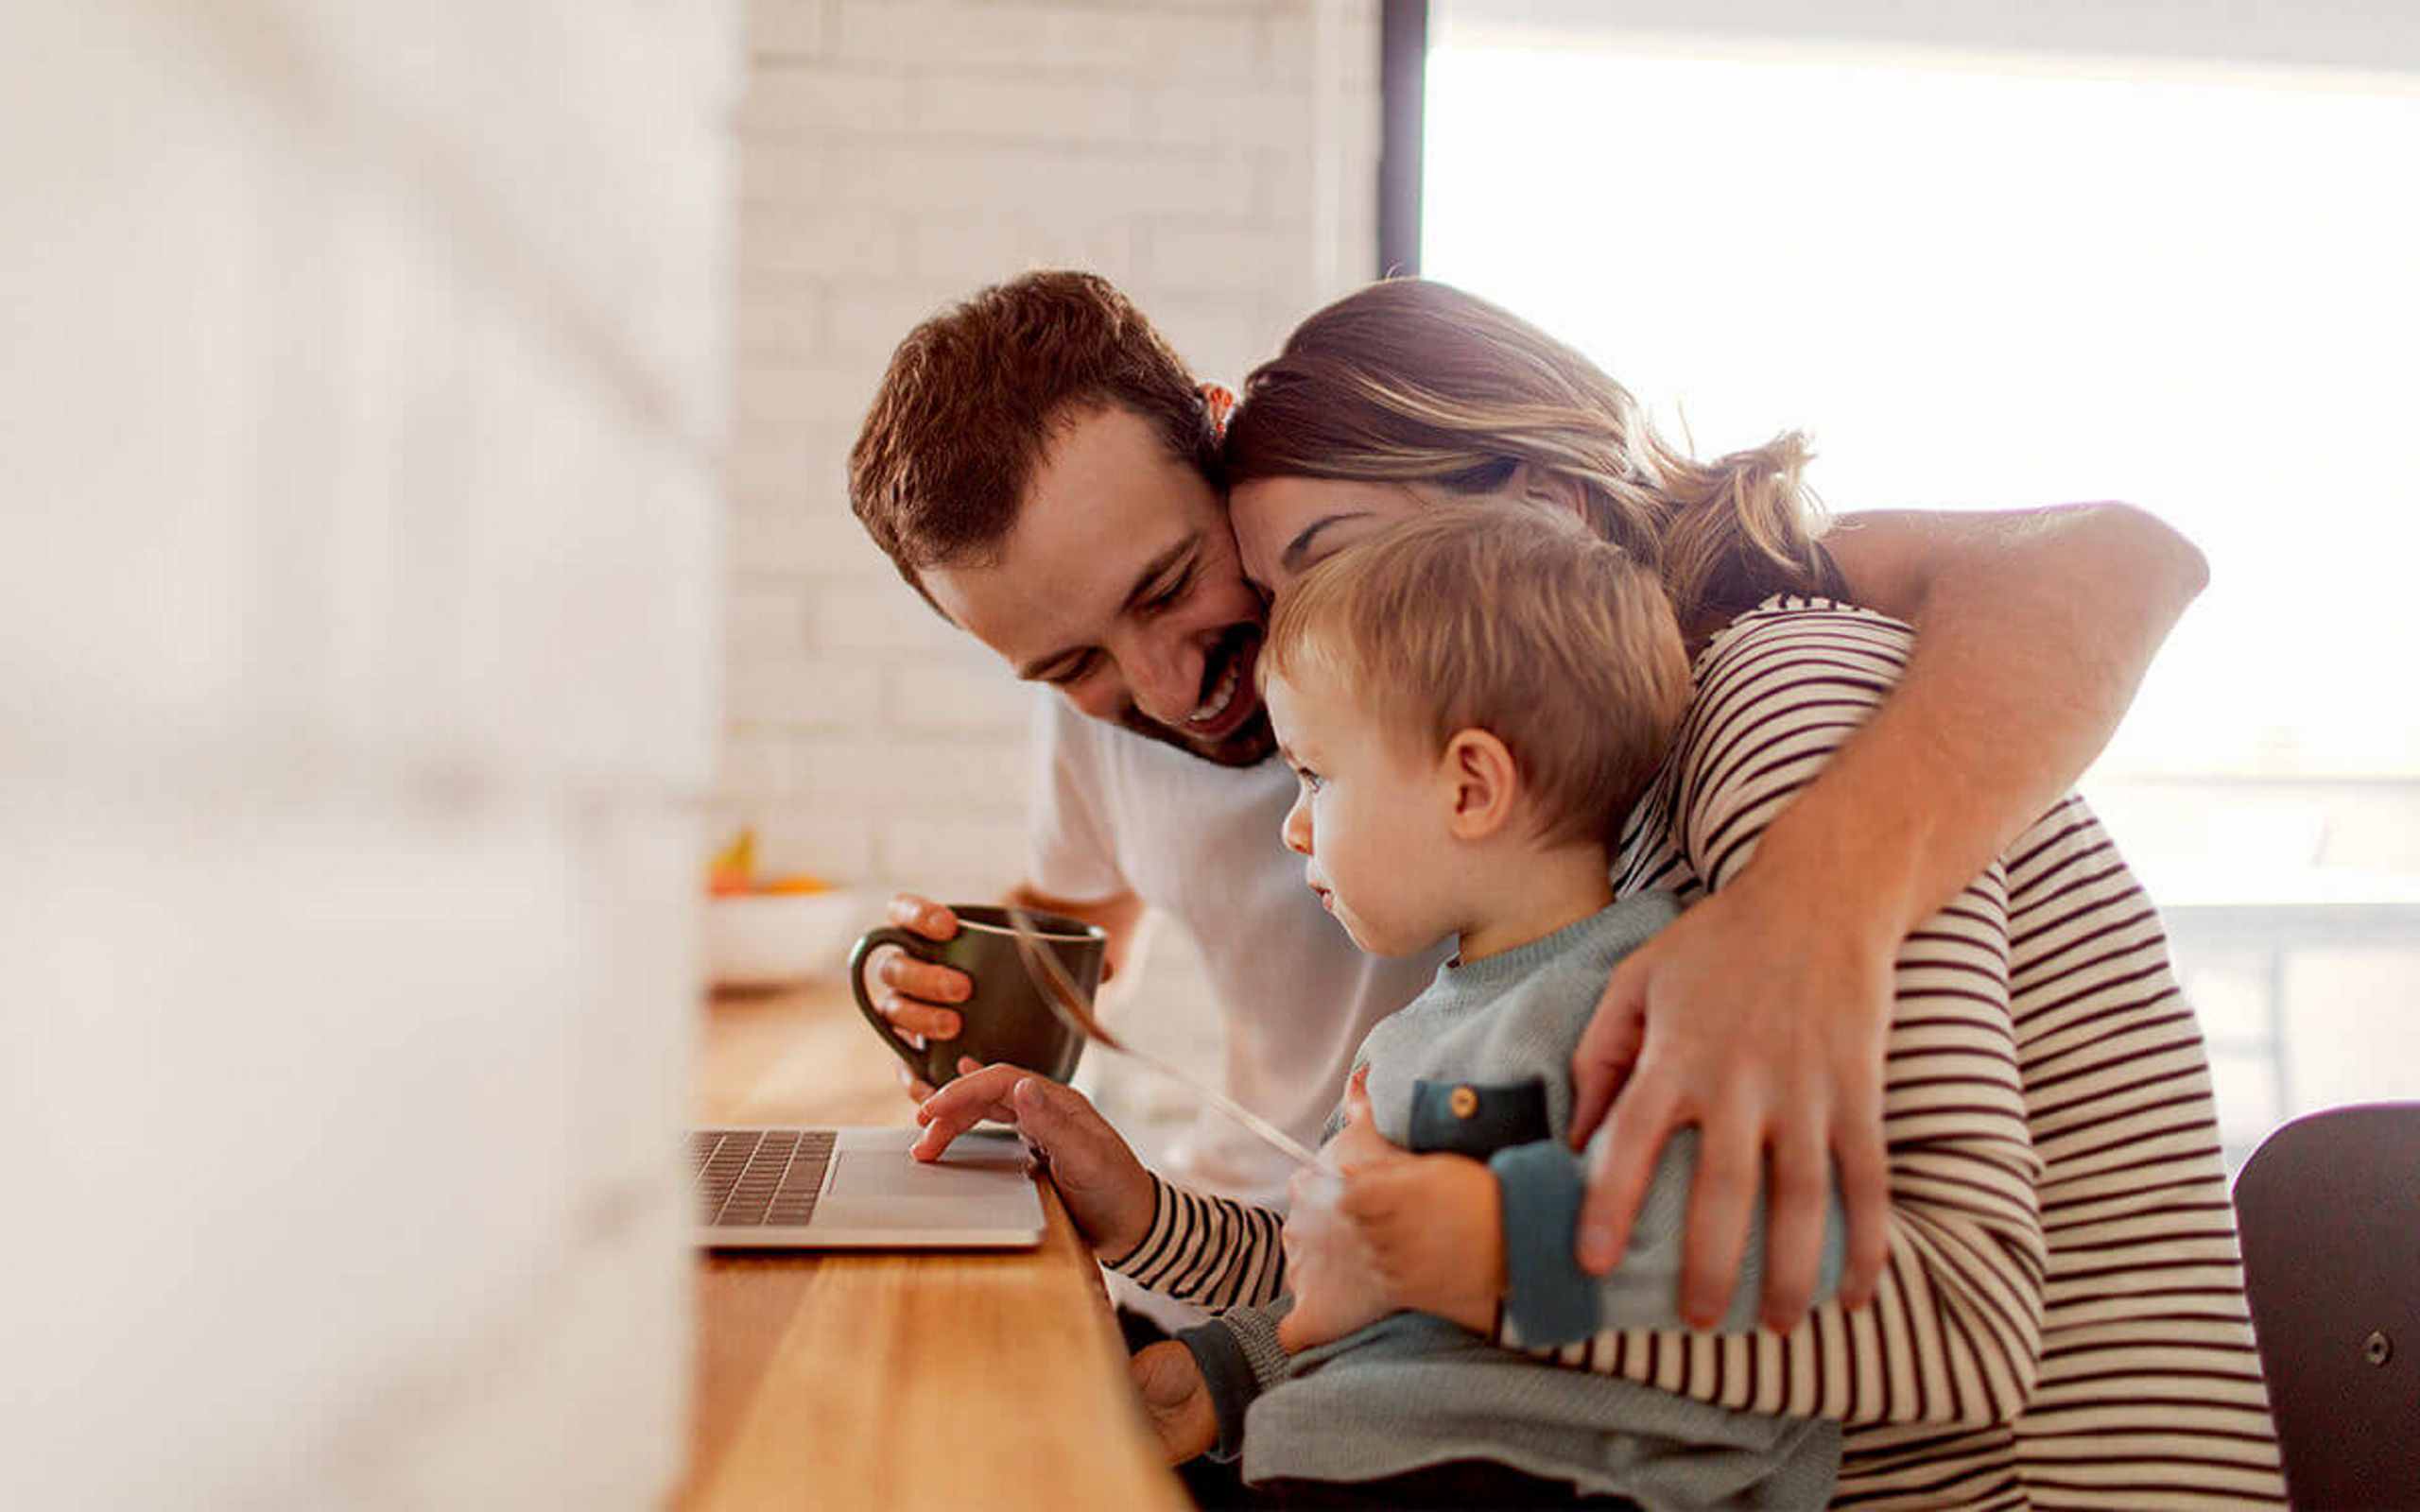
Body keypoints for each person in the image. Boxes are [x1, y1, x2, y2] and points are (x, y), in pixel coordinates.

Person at [846, 271, 2210, 1335]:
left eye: (1170, 588)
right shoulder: (1131, 722)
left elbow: (2115, 557)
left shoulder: (1709, 676)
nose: (1168, 686)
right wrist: (966, 1000)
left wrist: (1811, 910)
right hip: (1324, 1269)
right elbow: (1078, 930)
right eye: (1071, 664)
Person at [1202, 278, 2282, 1506]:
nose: (1312, 632)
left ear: (1546, 508)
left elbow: (1962, 1318)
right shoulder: (1607, 830)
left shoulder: (1780, 702)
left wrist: (1475, 1258)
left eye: (1332, 559)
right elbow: (1504, 1268)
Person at [916, 501, 1870, 1506]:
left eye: (1316, 777)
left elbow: (1753, 1276)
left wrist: (1471, 1244)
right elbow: (1340, 1288)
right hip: (1351, 1455)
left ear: (1469, 787)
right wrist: (1165, 1262)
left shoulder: (1638, 1002)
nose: (1293, 830)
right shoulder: (1423, 1027)